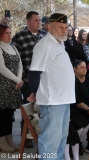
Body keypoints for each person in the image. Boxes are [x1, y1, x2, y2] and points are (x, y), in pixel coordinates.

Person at [27, 10, 75, 160]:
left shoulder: (60, 44)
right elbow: (34, 73)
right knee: (50, 141)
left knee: (61, 138)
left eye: (66, 27)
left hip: (63, 99)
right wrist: (36, 93)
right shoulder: (45, 45)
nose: (65, 30)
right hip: (52, 100)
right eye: (61, 27)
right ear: (50, 27)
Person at [12, 10, 47, 148]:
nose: (39, 22)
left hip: (45, 80)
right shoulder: (19, 37)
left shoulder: (45, 36)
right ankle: (25, 135)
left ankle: (42, 134)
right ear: (28, 21)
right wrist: (18, 79)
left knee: (43, 110)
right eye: (36, 20)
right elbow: (15, 60)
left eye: (40, 20)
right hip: (27, 81)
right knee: (28, 111)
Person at [0, 20, 23, 153]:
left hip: (14, 87)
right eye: (6, 33)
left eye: (10, 33)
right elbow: (1, 68)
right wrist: (17, 80)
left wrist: (18, 80)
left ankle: (9, 139)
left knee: (10, 115)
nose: (9, 35)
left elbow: (20, 64)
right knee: (2, 115)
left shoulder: (13, 47)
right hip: (3, 87)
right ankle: (2, 140)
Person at [71, 60, 89, 154]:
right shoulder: (73, 81)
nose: (85, 69)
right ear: (75, 69)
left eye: (85, 67)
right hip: (78, 108)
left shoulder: (88, 79)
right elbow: (76, 101)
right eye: (82, 67)